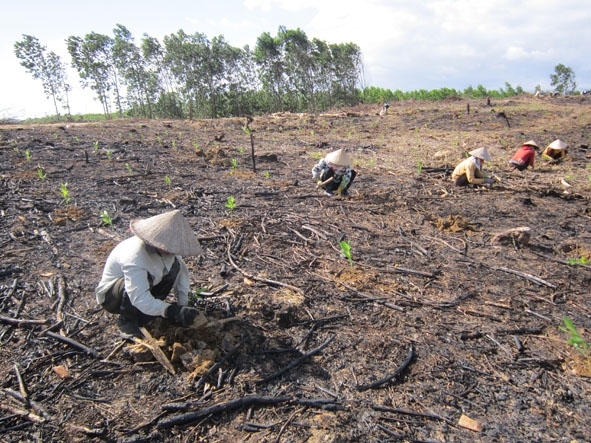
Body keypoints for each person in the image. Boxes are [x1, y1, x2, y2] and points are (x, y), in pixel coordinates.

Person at [96, 210, 202, 338]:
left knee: (175, 267)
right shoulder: (135, 256)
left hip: (142, 288)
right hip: (111, 297)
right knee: (138, 281)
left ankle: (146, 314)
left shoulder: (167, 252)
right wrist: (171, 311)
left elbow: (181, 277)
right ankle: (127, 321)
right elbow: (138, 296)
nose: (170, 251)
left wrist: (182, 306)